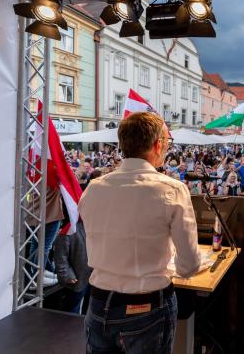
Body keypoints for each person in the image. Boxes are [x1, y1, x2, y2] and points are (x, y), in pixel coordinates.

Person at [79, 112, 201, 354]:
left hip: (98, 304)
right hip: (147, 308)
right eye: (168, 143)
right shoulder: (172, 190)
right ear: (158, 145)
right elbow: (189, 266)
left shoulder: (93, 188)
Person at [54, 218, 92, 314]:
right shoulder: (69, 230)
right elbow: (61, 257)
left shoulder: (95, 228)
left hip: (94, 278)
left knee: (89, 311)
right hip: (76, 279)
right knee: (71, 313)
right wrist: (67, 276)